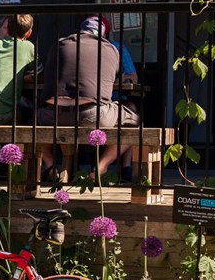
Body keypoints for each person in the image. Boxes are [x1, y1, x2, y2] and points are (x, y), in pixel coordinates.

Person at [37, 15, 140, 179]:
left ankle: (50, 165)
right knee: (133, 122)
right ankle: (101, 167)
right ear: (104, 35)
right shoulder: (110, 48)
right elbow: (116, 77)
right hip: (92, 113)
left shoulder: (60, 44)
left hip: (51, 114)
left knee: (36, 122)